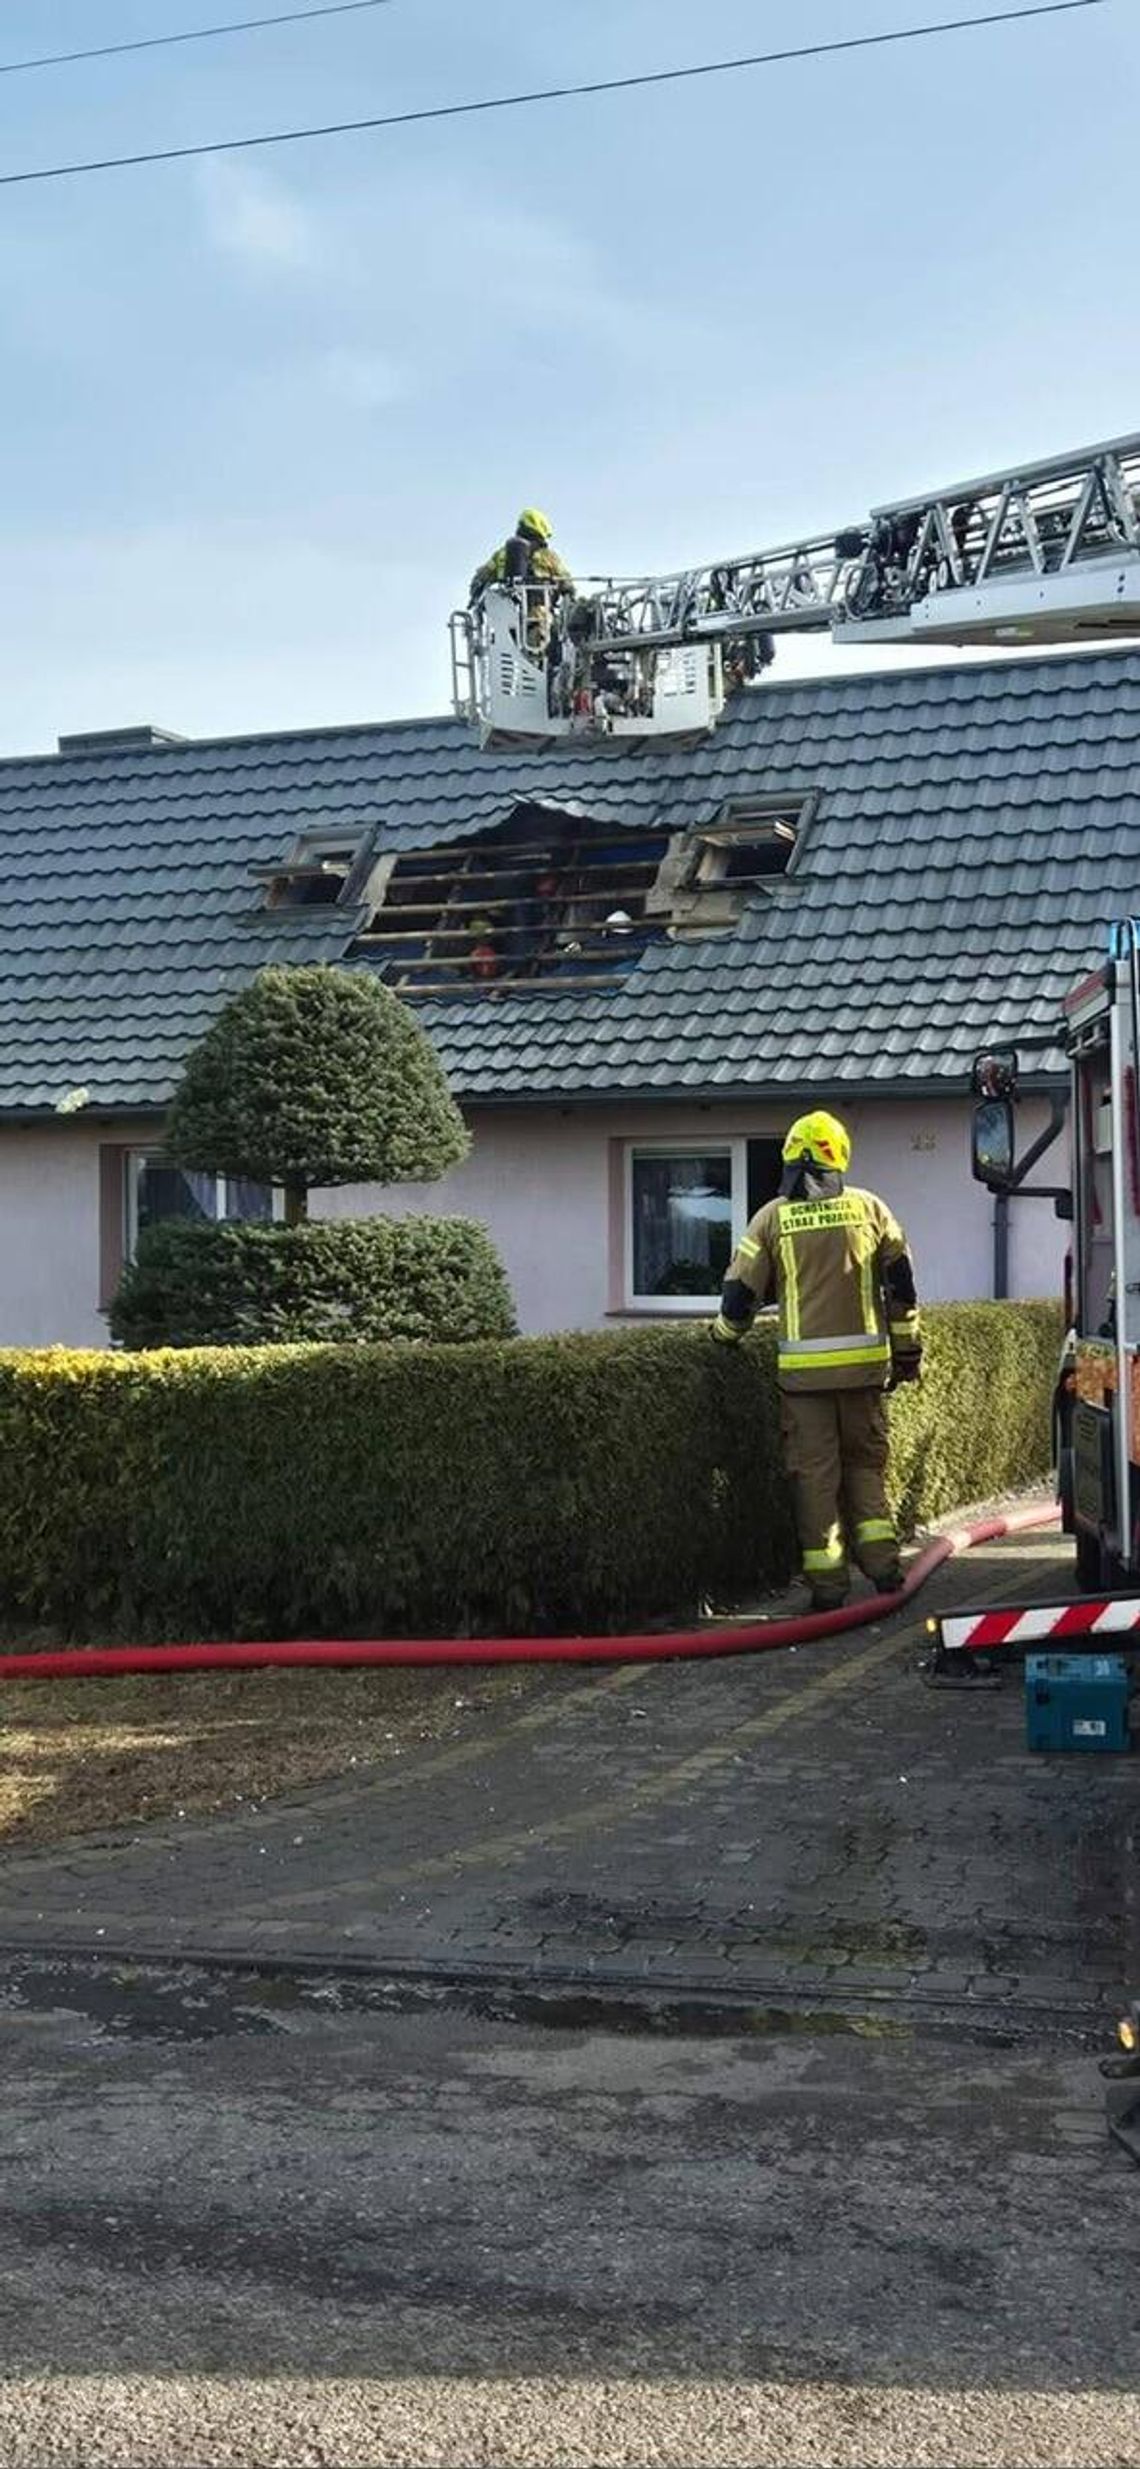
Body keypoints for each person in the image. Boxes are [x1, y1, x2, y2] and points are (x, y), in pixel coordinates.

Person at [711, 1111, 922, 1609]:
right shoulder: (871, 1210)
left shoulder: (772, 1218)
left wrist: (723, 1337)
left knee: (814, 1481)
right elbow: (903, 1290)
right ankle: (885, 1570)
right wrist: (907, 1354)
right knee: (867, 1469)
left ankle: (828, 1588)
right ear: (840, 1156)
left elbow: (740, 1297)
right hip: (866, 1376)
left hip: (804, 1386)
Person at [469, 508, 573, 603]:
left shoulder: (500, 555)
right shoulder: (548, 557)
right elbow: (567, 583)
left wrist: (475, 599)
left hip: (504, 618)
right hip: (540, 618)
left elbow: (480, 579)